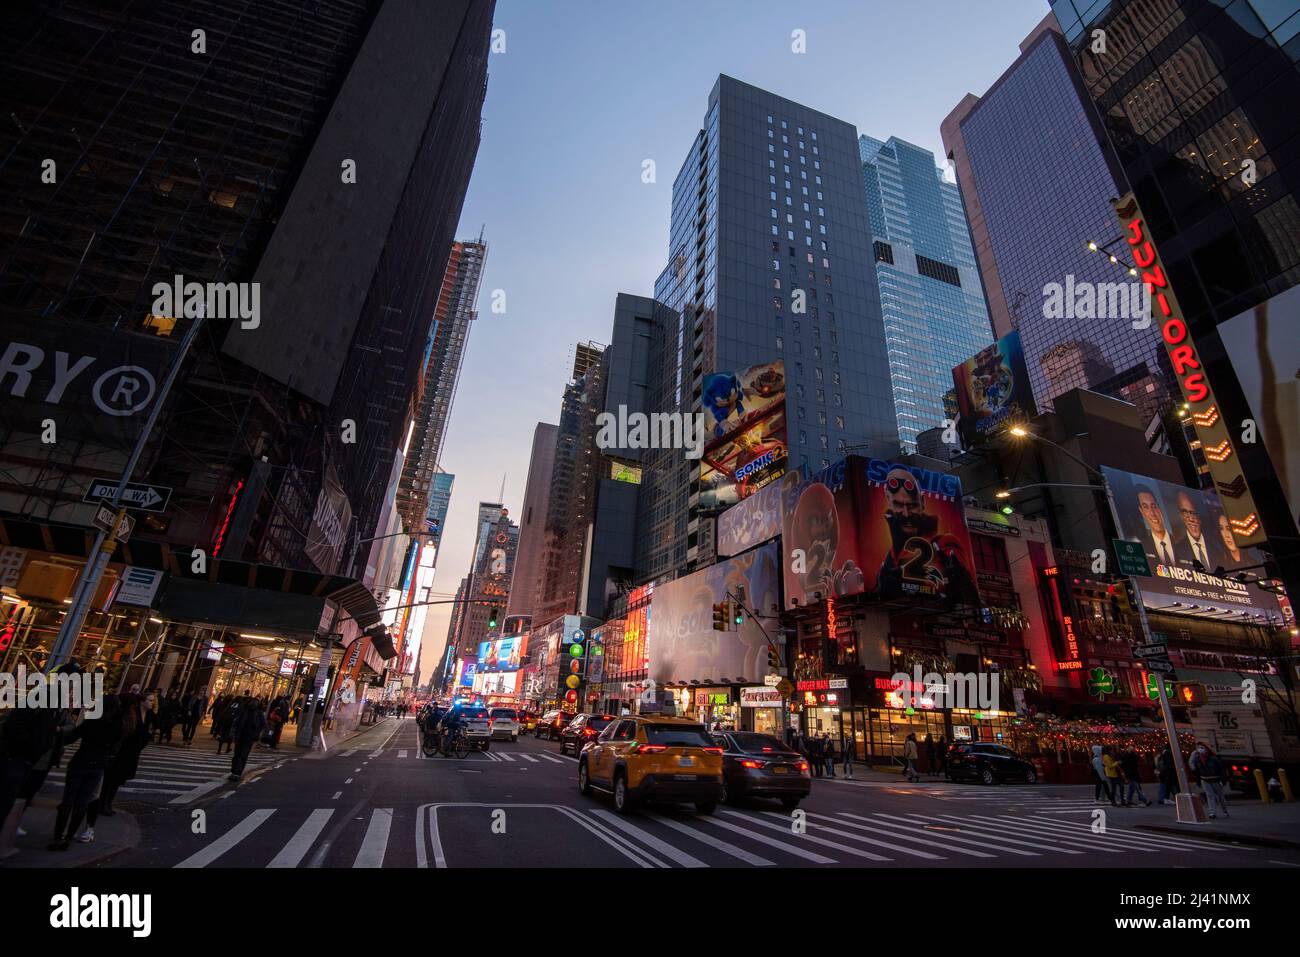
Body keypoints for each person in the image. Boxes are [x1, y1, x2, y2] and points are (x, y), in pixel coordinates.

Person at [49, 695, 126, 850]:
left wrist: (58, 732)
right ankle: (69, 837)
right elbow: (116, 748)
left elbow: (72, 736)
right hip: (98, 765)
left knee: (68, 800)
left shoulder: (93, 721)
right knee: (83, 801)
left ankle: (58, 837)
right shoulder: (119, 726)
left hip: (81, 761)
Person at [83, 692, 151, 837]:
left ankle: (106, 804)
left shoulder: (141, 716)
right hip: (116, 755)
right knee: (107, 781)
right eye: (150, 700)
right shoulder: (126, 717)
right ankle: (99, 808)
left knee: (115, 781)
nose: (153, 703)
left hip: (127, 754)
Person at [228, 693, 267, 781]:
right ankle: (236, 772)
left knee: (239, 754)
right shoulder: (252, 711)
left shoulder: (250, 711)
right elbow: (263, 724)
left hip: (246, 735)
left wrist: (257, 734)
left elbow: (262, 725)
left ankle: (236, 772)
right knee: (240, 755)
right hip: (245, 735)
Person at [1189, 742, 1229, 818]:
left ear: (1206, 749)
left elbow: (1221, 770)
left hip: (1215, 780)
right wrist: (1198, 780)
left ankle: (1225, 811)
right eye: (1199, 748)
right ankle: (1212, 813)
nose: (1200, 749)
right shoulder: (1197, 759)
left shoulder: (1213, 758)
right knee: (1210, 796)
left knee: (1221, 797)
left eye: (1202, 748)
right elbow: (1194, 768)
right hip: (1205, 780)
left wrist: (1223, 780)